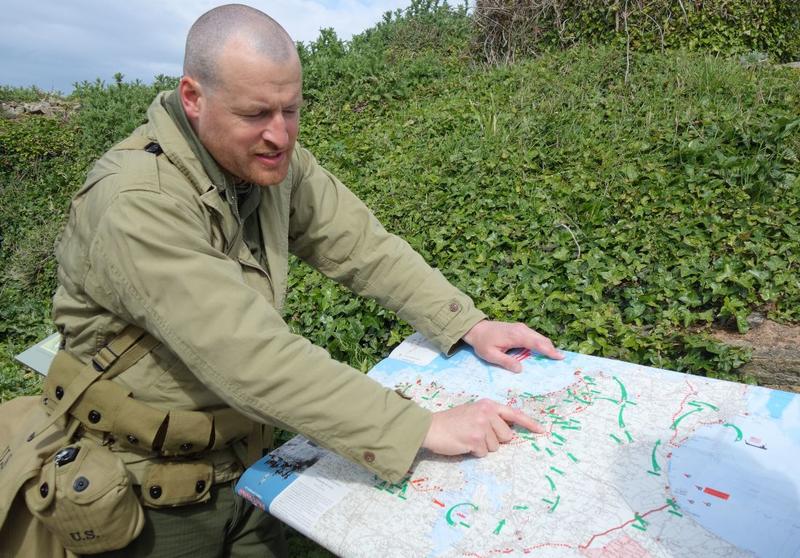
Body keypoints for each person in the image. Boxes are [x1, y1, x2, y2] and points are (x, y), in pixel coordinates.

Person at [43, 4, 563, 556]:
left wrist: (467, 323)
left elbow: (364, 248)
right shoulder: (137, 202)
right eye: (255, 113)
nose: (279, 135)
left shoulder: (266, 163)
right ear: (193, 99)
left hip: (251, 455)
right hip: (142, 486)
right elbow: (248, 354)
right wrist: (416, 429)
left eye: (291, 110)